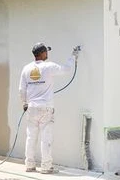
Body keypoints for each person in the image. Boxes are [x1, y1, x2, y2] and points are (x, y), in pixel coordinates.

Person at [19, 42, 79, 173]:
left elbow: (21, 89)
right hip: (45, 108)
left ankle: (29, 165)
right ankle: (46, 166)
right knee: (46, 138)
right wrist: (73, 56)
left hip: (31, 108)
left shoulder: (26, 68)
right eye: (46, 51)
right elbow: (67, 69)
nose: (48, 53)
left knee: (31, 137)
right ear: (42, 53)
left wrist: (24, 103)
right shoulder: (49, 66)